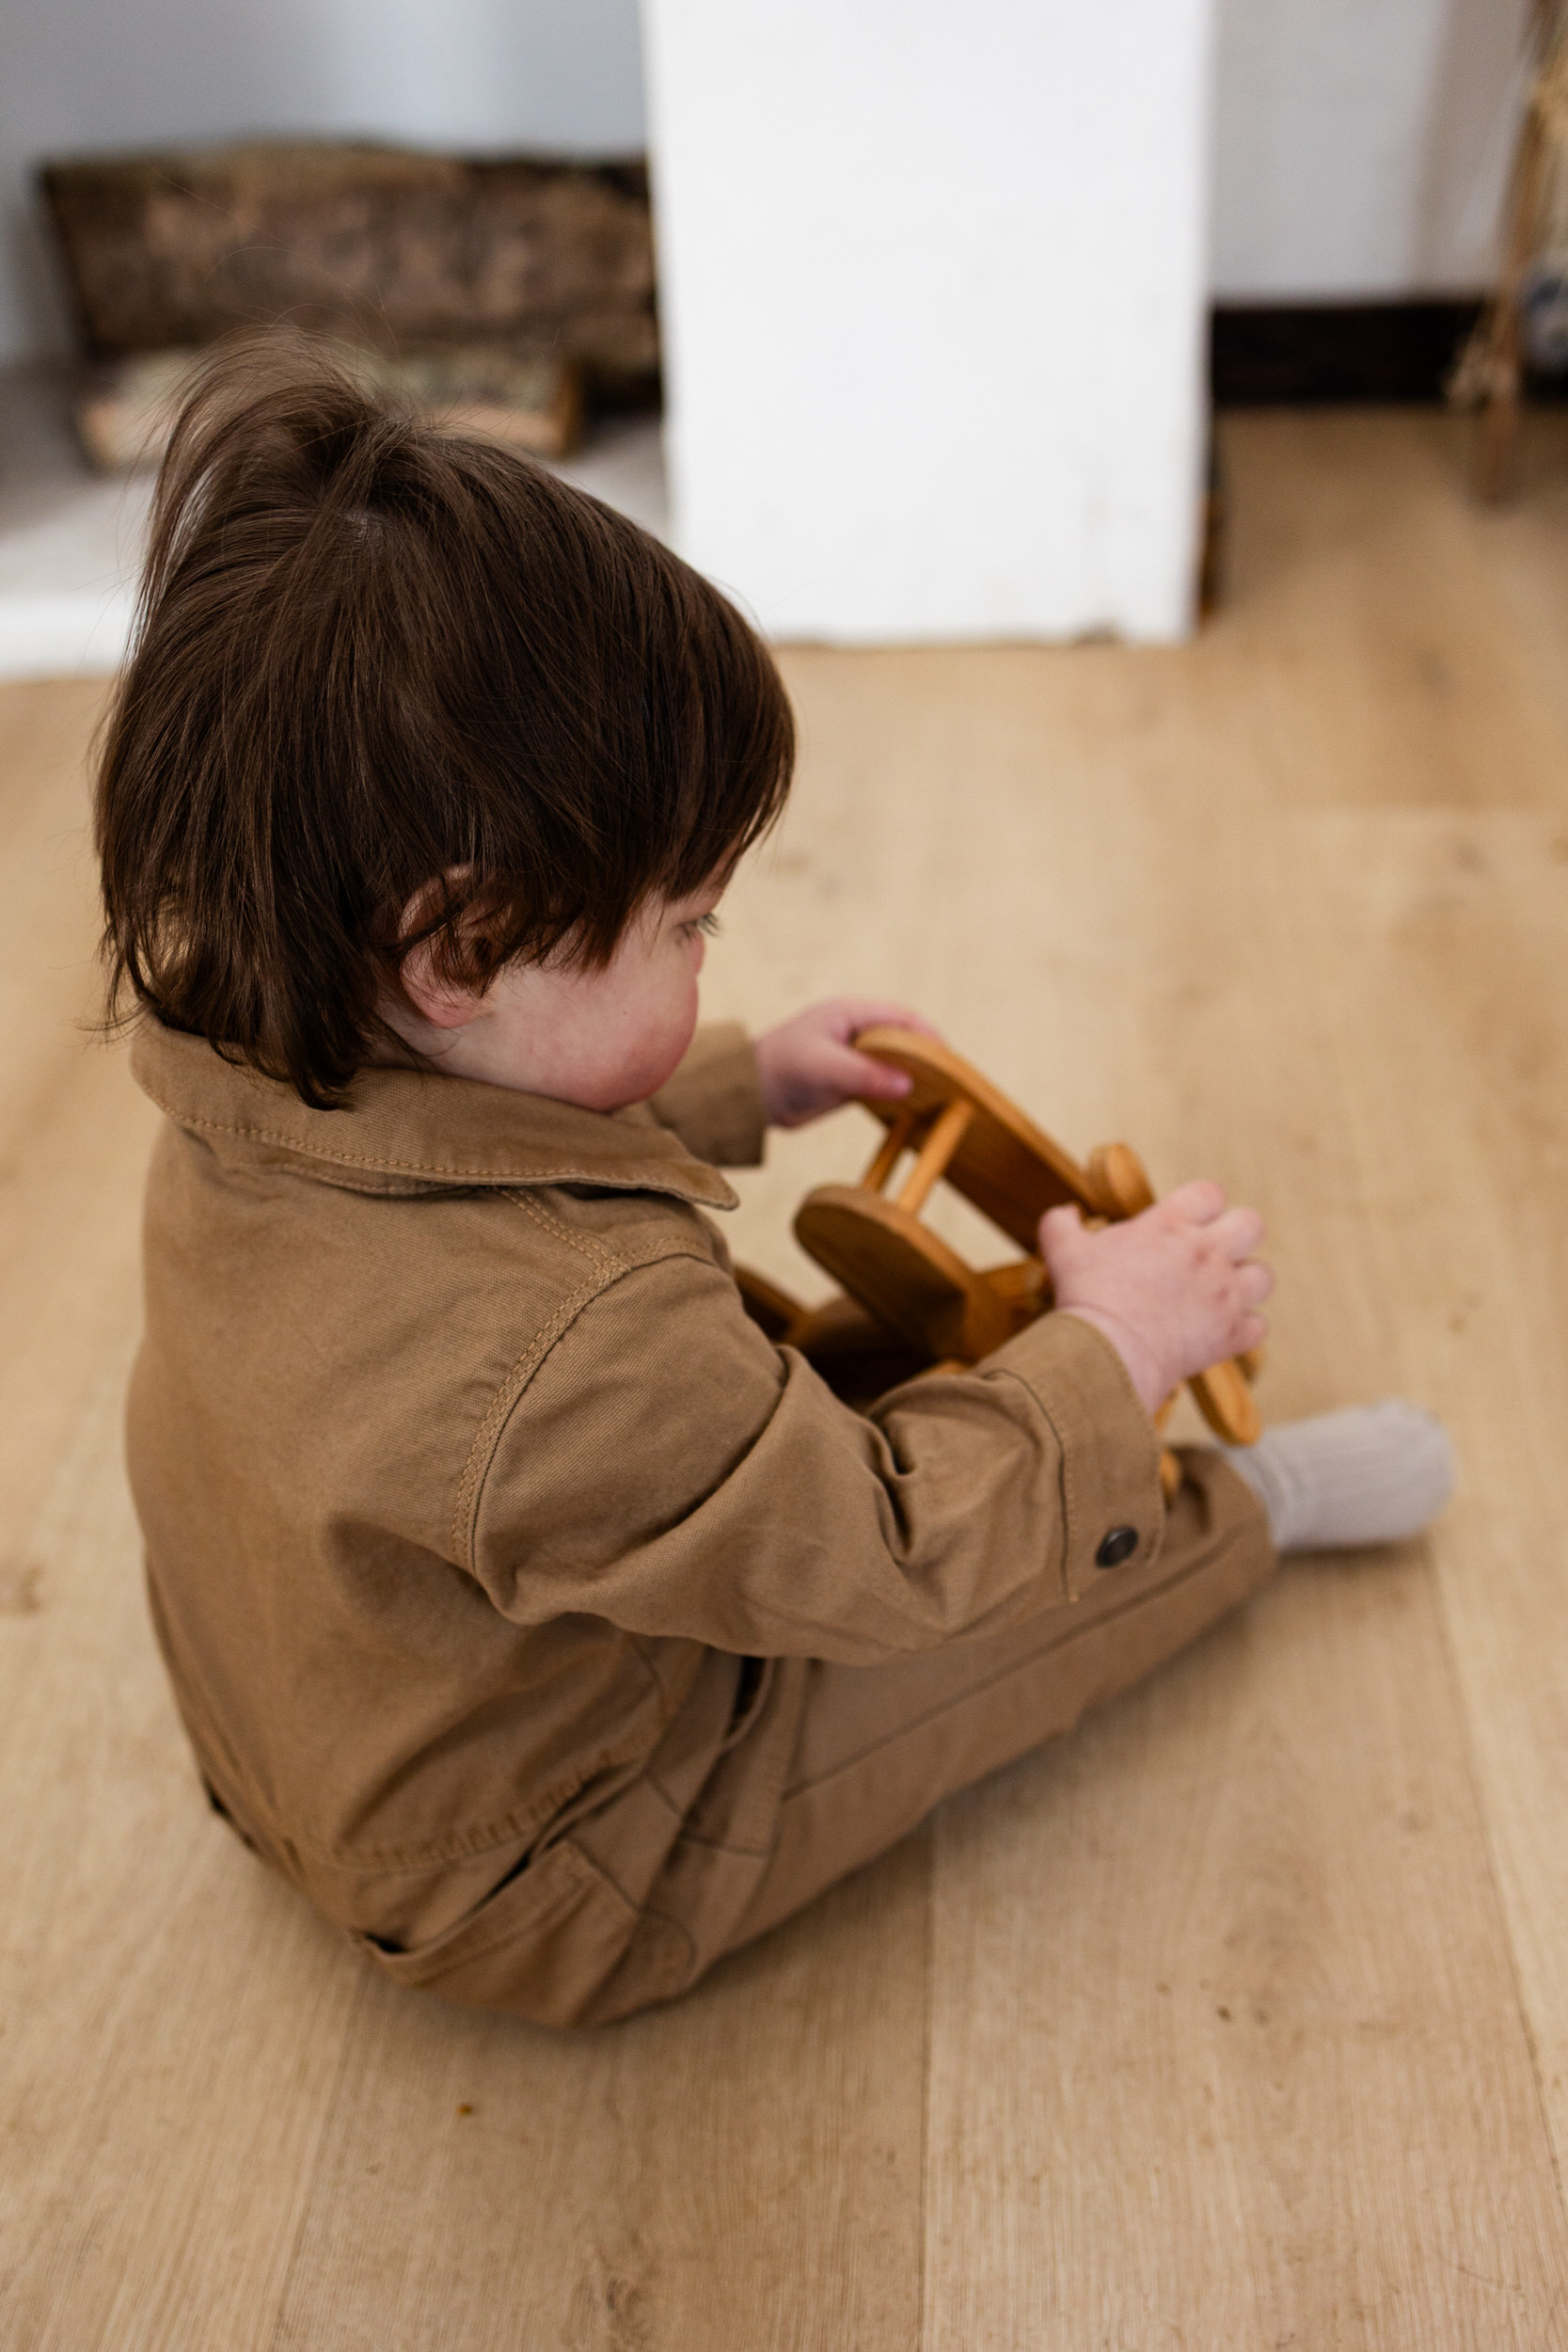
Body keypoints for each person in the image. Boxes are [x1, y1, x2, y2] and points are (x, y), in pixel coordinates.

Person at [98, 345, 1452, 2027]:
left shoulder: (243, 1057)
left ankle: (1019, 1417)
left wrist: (737, 1074)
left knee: (767, 1393)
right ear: (463, 951)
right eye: (688, 927)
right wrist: (1113, 1352)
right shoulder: (585, 1350)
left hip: (319, 1737)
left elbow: (464, 1167)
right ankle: (1251, 1514)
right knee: (1001, 1589)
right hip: (554, 1881)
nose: (705, 948)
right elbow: (887, 1559)